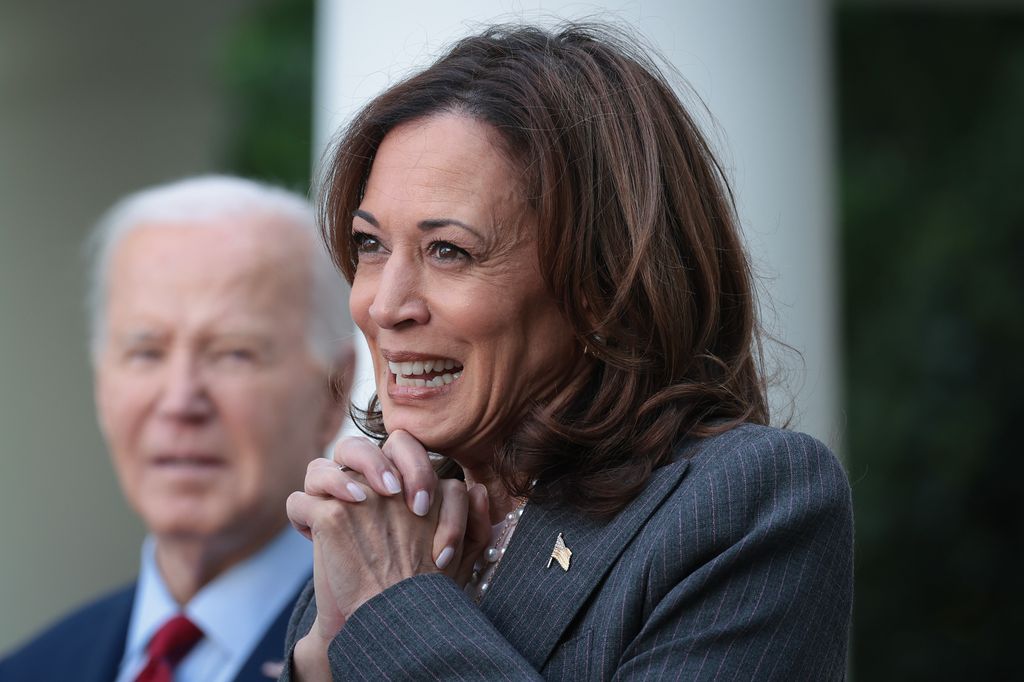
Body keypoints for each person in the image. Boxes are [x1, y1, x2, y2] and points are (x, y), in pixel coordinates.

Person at [283, 23, 853, 681]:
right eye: (371, 246)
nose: (384, 306)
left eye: (449, 251)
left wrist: (392, 604)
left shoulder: (748, 501)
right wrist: (323, 655)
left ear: (600, 285)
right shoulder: (387, 516)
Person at [0, 176, 354, 682]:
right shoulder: (31, 669)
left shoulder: (377, 659)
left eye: (233, 353)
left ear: (332, 391)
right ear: (102, 383)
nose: (180, 400)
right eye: (146, 353)